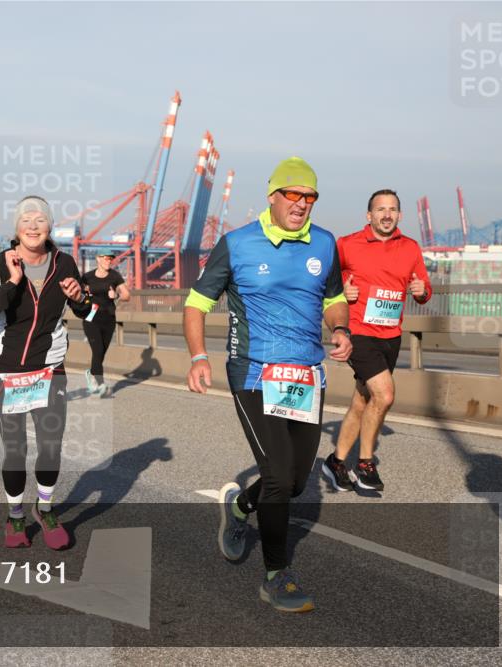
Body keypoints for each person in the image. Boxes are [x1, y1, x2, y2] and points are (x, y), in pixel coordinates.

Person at [184, 157, 352, 612]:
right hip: (254, 372)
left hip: (304, 377)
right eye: (293, 195)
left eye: (310, 197)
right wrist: (199, 357)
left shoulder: (324, 242)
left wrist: (341, 328)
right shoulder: (237, 244)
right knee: (278, 475)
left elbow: (335, 297)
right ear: (273, 197)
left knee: (296, 482)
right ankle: (277, 574)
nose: (301, 205)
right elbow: (197, 304)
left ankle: (239, 509)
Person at [0, 195, 92, 549]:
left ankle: (46, 508)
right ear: (17, 228)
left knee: (51, 446)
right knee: (14, 448)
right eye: (26, 220)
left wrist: (81, 297)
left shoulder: (65, 263)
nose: (33, 225)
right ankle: (14, 516)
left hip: (48, 366)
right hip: (6, 368)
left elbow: (88, 313)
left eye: (40, 220)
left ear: (50, 226)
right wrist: (11, 282)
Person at [323, 189, 432, 493]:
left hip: (391, 335)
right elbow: (326, 284)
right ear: (368, 215)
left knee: (363, 400)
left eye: (393, 209)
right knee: (384, 395)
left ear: (399, 215)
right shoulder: (346, 245)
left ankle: (336, 461)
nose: (387, 214)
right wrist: (343, 294)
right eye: (380, 209)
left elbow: (423, 291)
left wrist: (421, 289)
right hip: (359, 331)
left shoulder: (410, 247)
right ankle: (365, 463)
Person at [80, 250, 130, 396]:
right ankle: (101, 384)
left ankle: (91, 373)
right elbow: (81, 295)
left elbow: (127, 295)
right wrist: (86, 296)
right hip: (91, 317)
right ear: (98, 258)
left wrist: (116, 296)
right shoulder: (87, 277)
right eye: (106, 258)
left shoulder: (114, 276)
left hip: (108, 318)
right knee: (98, 350)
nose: (109, 261)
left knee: (101, 353)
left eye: (110, 259)